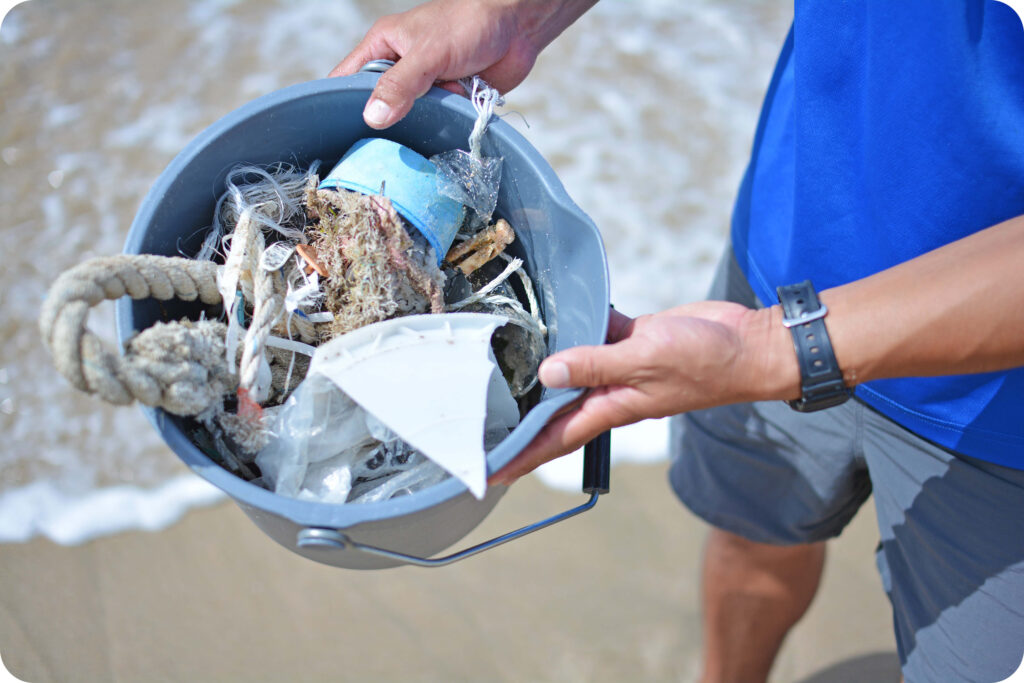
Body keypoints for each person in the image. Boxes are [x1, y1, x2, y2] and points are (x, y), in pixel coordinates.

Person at [332, 2, 1024, 681]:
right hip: (792, 238)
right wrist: (514, 12)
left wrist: (770, 351)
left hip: (998, 405)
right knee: (755, 527)